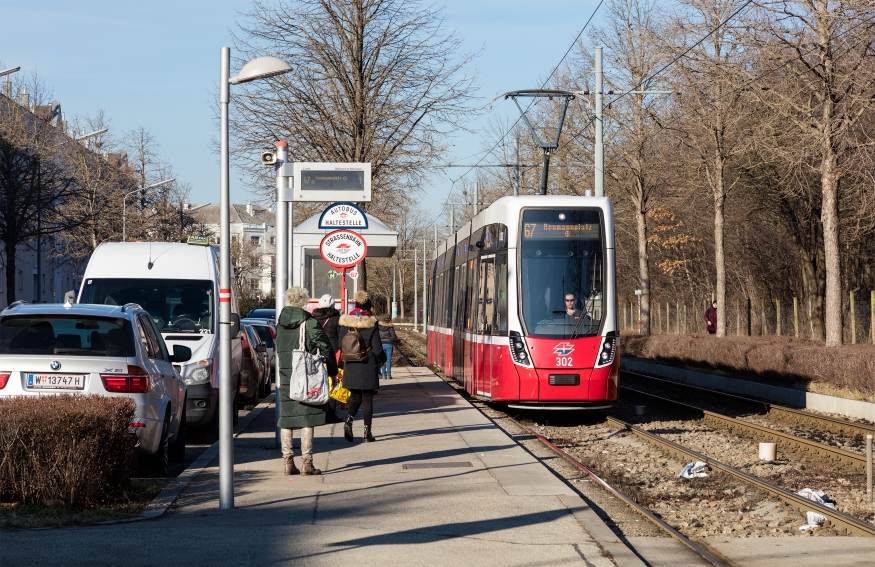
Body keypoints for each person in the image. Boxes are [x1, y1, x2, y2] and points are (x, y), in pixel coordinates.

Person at [276, 287, 338, 475]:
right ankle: (307, 462)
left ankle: (287, 462)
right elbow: (324, 345)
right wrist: (333, 371)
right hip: (306, 374)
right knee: (306, 416)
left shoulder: (280, 323)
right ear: (304, 301)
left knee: (287, 418)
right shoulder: (308, 322)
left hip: (286, 374)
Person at [338, 290, 386, 443]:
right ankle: (367, 432)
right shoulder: (371, 323)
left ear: (356, 304)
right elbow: (377, 348)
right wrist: (382, 359)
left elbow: (341, 343)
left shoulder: (346, 322)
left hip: (351, 364)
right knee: (367, 399)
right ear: (368, 305)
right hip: (367, 364)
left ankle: (349, 421)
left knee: (355, 397)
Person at [312, 294, 342, 422]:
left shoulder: (313, 318)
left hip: (317, 353)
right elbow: (341, 337)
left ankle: (319, 413)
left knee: (318, 383)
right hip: (334, 353)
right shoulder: (337, 318)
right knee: (333, 383)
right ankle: (331, 413)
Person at [377, 314, 398, 379]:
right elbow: (394, 337)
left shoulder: (378, 327)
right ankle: (388, 375)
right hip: (389, 344)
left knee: (382, 360)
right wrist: (391, 340)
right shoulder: (390, 327)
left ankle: (383, 374)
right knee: (388, 360)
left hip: (381, 344)